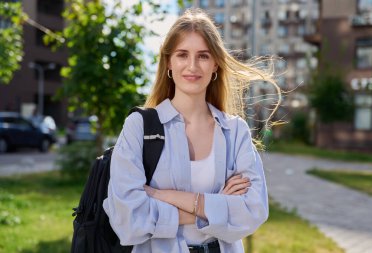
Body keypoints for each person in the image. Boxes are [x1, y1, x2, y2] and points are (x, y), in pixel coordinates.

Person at [103, 8, 280, 253]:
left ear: (216, 63)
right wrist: (219, 207)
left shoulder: (235, 131)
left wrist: (159, 195)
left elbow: (253, 211)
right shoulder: (139, 126)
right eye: (182, 55)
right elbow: (127, 218)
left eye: (203, 56)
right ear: (169, 62)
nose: (192, 66)